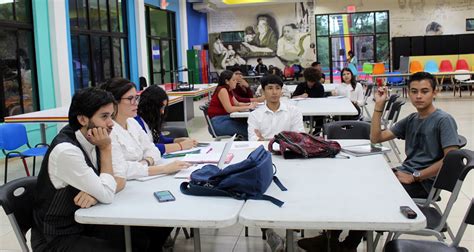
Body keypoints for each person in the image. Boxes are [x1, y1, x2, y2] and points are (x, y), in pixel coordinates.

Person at [297, 72, 460, 252]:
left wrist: (416, 176)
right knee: (350, 185)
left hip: (425, 183)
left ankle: (348, 245)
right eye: (414, 91)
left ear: (434, 93)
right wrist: (379, 107)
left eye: (424, 91)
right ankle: (331, 240)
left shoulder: (443, 120)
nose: (419, 96)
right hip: (405, 174)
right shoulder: (413, 119)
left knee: (367, 195)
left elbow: (450, 160)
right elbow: (376, 137)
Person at [32, 88, 127, 251]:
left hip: (81, 224)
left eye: (111, 116)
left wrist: (95, 194)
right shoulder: (67, 151)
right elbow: (107, 193)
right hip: (55, 237)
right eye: (104, 116)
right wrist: (106, 149)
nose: (111, 123)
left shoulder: (94, 137)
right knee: (118, 247)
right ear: (83, 119)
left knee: (139, 235)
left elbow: (120, 177)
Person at [100, 77, 191, 180]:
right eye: (130, 99)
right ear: (114, 102)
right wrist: (163, 169)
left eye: (136, 97)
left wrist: (145, 161)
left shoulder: (132, 123)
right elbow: (121, 170)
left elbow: (153, 150)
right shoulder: (108, 130)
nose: (136, 103)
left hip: (143, 180)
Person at [135, 85, 197, 155]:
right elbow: (148, 148)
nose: (162, 112)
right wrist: (180, 146)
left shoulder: (150, 120)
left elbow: (160, 140)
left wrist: (177, 140)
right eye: (161, 108)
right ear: (150, 107)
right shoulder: (136, 122)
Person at [248, 74, 304, 141]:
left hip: (288, 150)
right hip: (264, 149)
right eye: (270, 88)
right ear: (263, 91)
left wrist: (264, 140)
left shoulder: (294, 111)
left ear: (281, 91)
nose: (274, 92)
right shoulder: (254, 115)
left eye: (277, 88)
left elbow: (299, 136)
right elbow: (253, 139)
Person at [207, 70, 257, 139]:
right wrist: (248, 107)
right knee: (249, 129)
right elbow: (229, 109)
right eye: (233, 80)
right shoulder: (222, 90)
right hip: (218, 123)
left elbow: (237, 104)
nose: (236, 82)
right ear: (227, 81)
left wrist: (250, 104)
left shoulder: (229, 90)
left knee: (249, 124)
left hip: (224, 119)